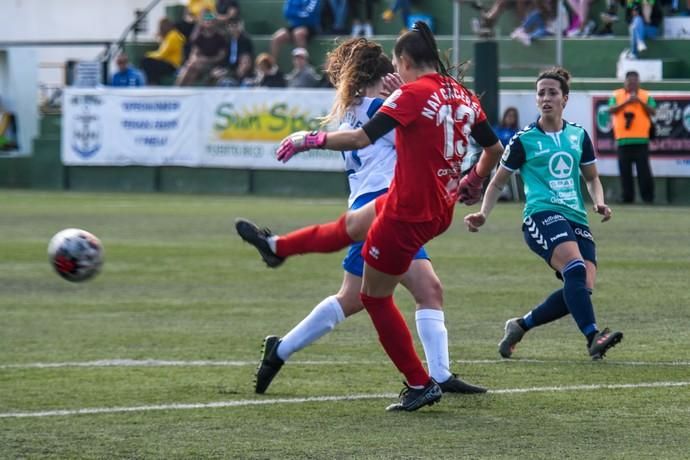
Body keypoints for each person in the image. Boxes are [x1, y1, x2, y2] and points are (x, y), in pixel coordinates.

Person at [236, 22, 504, 411]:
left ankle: (278, 259)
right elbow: (445, 131)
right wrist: (473, 178)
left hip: (385, 200)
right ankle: (424, 379)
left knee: (380, 284)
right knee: (375, 295)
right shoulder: (423, 97)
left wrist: (309, 138)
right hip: (407, 206)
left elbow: (385, 128)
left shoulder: (356, 108)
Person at [464, 67, 624, 361]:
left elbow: (591, 177)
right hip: (541, 215)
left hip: (576, 217)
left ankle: (520, 325)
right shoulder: (523, 140)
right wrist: (483, 213)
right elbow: (498, 181)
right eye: (541, 93)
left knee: (581, 287)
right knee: (575, 269)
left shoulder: (578, 135)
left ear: (565, 98)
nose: (546, 98)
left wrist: (598, 201)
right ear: (537, 100)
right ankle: (593, 337)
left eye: (552, 92)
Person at [608, 70, 657, 203]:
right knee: (625, 172)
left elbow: (653, 111)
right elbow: (611, 109)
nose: (632, 84)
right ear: (625, 82)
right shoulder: (617, 95)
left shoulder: (645, 95)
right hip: (623, 140)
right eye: (630, 82)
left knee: (644, 172)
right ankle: (627, 198)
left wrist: (639, 101)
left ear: (639, 82)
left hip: (641, 140)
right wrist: (627, 102)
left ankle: (648, 198)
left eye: (635, 82)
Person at [176, 11, 228, 86]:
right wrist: (194, 59)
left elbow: (221, 56)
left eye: (211, 20)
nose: (208, 22)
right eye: (206, 20)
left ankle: (180, 89)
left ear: (214, 22)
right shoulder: (200, 36)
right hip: (199, 63)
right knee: (191, 67)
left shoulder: (220, 37)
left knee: (193, 66)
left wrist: (207, 60)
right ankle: (179, 89)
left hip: (213, 64)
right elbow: (195, 52)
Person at [141, 18, 186, 85]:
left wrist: (148, 55)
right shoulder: (169, 36)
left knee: (146, 61)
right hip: (168, 62)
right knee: (149, 63)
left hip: (173, 65)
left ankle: (153, 83)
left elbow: (162, 54)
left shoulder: (173, 35)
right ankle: (153, 82)